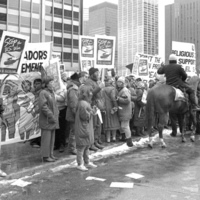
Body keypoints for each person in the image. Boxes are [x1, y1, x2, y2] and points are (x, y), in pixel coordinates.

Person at [75, 85, 97, 171]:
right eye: (90, 92)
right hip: (83, 128)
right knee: (81, 147)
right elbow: (84, 116)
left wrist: (92, 111)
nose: (91, 94)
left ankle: (86, 162)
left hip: (85, 127)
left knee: (86, 146)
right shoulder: (83, 104)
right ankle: (80, 163)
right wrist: (91, 112)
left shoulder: (83, 103)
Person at [38, 76, 59, 162]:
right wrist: (51, 115)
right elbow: (43, 106)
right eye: (51, 82)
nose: (53, 84)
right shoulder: (43, 93)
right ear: (46, 84)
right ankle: (45, 156)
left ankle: (50, 154)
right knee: (46, 139)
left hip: (52, 120)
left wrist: (56, 113)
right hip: (47, 120)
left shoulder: (51, 93)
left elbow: (54, 105)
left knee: (51, 138)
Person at [84, 67, 104, 151]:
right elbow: (90, 93)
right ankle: (91, 143)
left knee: (97, 125)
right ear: (92, 74)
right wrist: (99, 87)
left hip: (97, 106)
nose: (98, 74)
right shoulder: (88, 82)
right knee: (93, 126)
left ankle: (95, 141)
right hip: (92, 106)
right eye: (97, 73)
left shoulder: (96, 81)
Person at [116, 76, 133, 147]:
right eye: (118, 82)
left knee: (125, 126)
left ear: (123, 83)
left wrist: (118, 98)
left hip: (125, 111)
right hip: (124, 111)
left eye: (120, 82)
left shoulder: (124, 90)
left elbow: (127, 100)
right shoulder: (122, 89)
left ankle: (129, 141)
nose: (118, 83)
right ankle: (124, 138)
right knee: (124, 126)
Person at [102, 77, 120, 142]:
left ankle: (108, 139)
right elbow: (113, 98)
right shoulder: (113, 89)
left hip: (105, 107)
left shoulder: (102, 89)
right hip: (112, 107)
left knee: (107, 123)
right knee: (113, 122)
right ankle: (114, 137)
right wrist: (116, 106)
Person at [66, 72, 80, 155]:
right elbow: (73, 104)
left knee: (74, 131)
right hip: (73, 114)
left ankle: (72, 147)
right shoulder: (73, 90)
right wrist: (76, 115)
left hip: (73, 113)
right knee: (73, 131)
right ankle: (72, 148)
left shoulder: (73, 88)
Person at [30, 78, 43, 148]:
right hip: (34, 111)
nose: (36, 85)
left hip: (40, 111)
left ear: (41, 84)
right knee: (35, 127)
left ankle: (38, 141)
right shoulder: (33, 92)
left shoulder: (42, 92)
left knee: (39, 127)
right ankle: (34, 141)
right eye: (35, 84)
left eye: (38, 84)